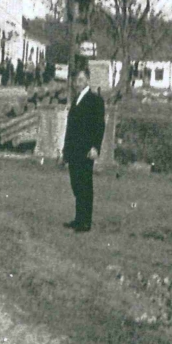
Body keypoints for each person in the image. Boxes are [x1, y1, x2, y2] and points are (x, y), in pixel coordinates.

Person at [62, 64, 106, 233]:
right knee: (75, 184)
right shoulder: (76, 99)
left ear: (88, 80)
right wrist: (65, 151)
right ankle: (78, 218)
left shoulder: (95, 100)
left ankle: (85, 222)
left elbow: (99, 126)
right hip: (74, 149)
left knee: (84, 185)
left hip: (86, 150)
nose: (77, 83)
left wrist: (95, 147)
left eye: (81, 80)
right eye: (75, 80)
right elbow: (70, 128)